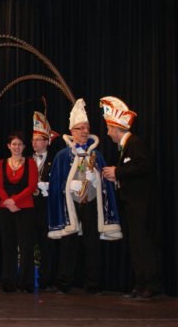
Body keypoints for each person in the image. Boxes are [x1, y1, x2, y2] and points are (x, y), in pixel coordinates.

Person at [48, 99, 122, 294]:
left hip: (91, 203)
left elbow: (107, 181)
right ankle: (64, 283)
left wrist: (96, 179)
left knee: (92, 245)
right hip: (70, 205)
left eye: (87, 127)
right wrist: (67, 186)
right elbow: (55, 183)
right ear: (72, 131)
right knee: (68, 245)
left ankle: (93, 283)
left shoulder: (96, 155)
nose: (84, 131)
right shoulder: (62, 156)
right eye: (80, 128)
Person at [100, 96, 161, 298]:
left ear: (116, 128)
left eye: (109, 129)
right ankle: (140, 283)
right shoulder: (125, 147)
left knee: (143, 243)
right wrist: (116, 175)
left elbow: (143, 166)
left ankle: (150, 283)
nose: (108, 133)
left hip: (140, 204)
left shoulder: (135, 143)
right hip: (131, 204)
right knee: (135, 244)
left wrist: (118, 171)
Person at [0, 131, 38, 293]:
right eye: (14, 144)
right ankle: (8, 281)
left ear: (24, 146)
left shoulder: (30, 163)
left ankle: (26, 282)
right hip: (5, 208)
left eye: (20, 144)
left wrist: (15, 200)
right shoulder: (1, 163)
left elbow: (32, 186)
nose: (17, 147)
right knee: (8, 245)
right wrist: (8, 201)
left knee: (26, 246)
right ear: (8, 146)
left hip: (25, 208)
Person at [31, 110, 59, 290]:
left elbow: (60, 181)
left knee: (46, 244)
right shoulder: (27, 160)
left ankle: (46, 280)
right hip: (30, 206)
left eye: (38, 140)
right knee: (30, 243)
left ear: (47, 141)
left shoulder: (54, 160)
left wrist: (49, 187)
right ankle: (29, 277)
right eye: (33, 140)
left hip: (47, 207)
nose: (34, 143)